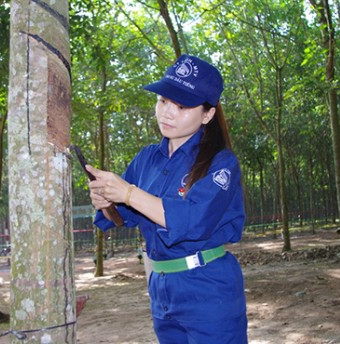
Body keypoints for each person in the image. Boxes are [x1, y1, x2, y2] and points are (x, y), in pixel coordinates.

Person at [86, 54, 248, 343]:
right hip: (161, 285)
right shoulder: (147, 158)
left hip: (208, 289)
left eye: (182, 105)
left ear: (207, 114)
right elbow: (124, 218)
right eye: (163, 101)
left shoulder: (221, 164)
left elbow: (194, 220)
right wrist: (107, 201)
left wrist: (128, 192)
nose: (167, 112)